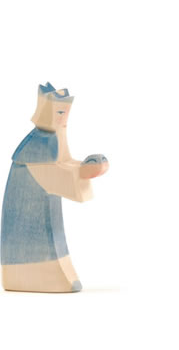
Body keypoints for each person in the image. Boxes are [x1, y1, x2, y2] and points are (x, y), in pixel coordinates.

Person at [1, 83, 109, 292]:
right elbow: (50, 173)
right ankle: (30, 276)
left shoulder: (55, 136)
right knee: (41, 238)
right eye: (60, 113)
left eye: (66, 113)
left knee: (51, 233)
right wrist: (82, 172)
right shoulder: (39, 142)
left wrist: (82, 168)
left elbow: (61, 164)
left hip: (39, 209)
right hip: (27, 215)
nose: (64, 119)